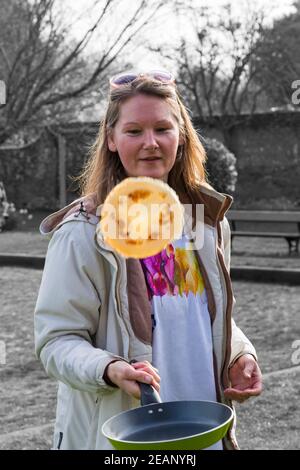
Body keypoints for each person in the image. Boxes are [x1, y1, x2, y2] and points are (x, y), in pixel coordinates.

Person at [34, 70, 262, 450]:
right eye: (134, 131)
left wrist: (239, 353)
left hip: (203, 430)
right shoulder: (82, 232)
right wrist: (108, 368)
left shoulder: (202, 223)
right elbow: (56, 341)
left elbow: (202, 318)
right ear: (110, 139)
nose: (151, 143)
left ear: (182, 134)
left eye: (162, 128)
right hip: (126, 437)